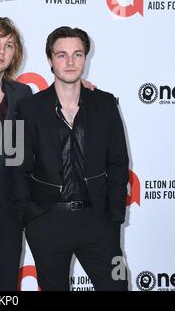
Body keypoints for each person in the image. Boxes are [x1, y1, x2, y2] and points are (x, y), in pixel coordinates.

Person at [0, 16, 96, 291]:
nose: (1, 51)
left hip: (6, 216)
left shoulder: (22, 95)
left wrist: (79, 90)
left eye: (10, 45)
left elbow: (51, 112)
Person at [13, 26, 129, 291]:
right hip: (47, 223)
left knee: (117, 285)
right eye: (62, 55)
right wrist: (29, 217)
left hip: (98, 222)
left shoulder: (105, 103)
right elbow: (16, 166)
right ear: (50, 60)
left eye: (77, 54)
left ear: (86, 58)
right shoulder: (28, 109)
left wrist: (114, 217)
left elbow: (118, 162)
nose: (70, 62)